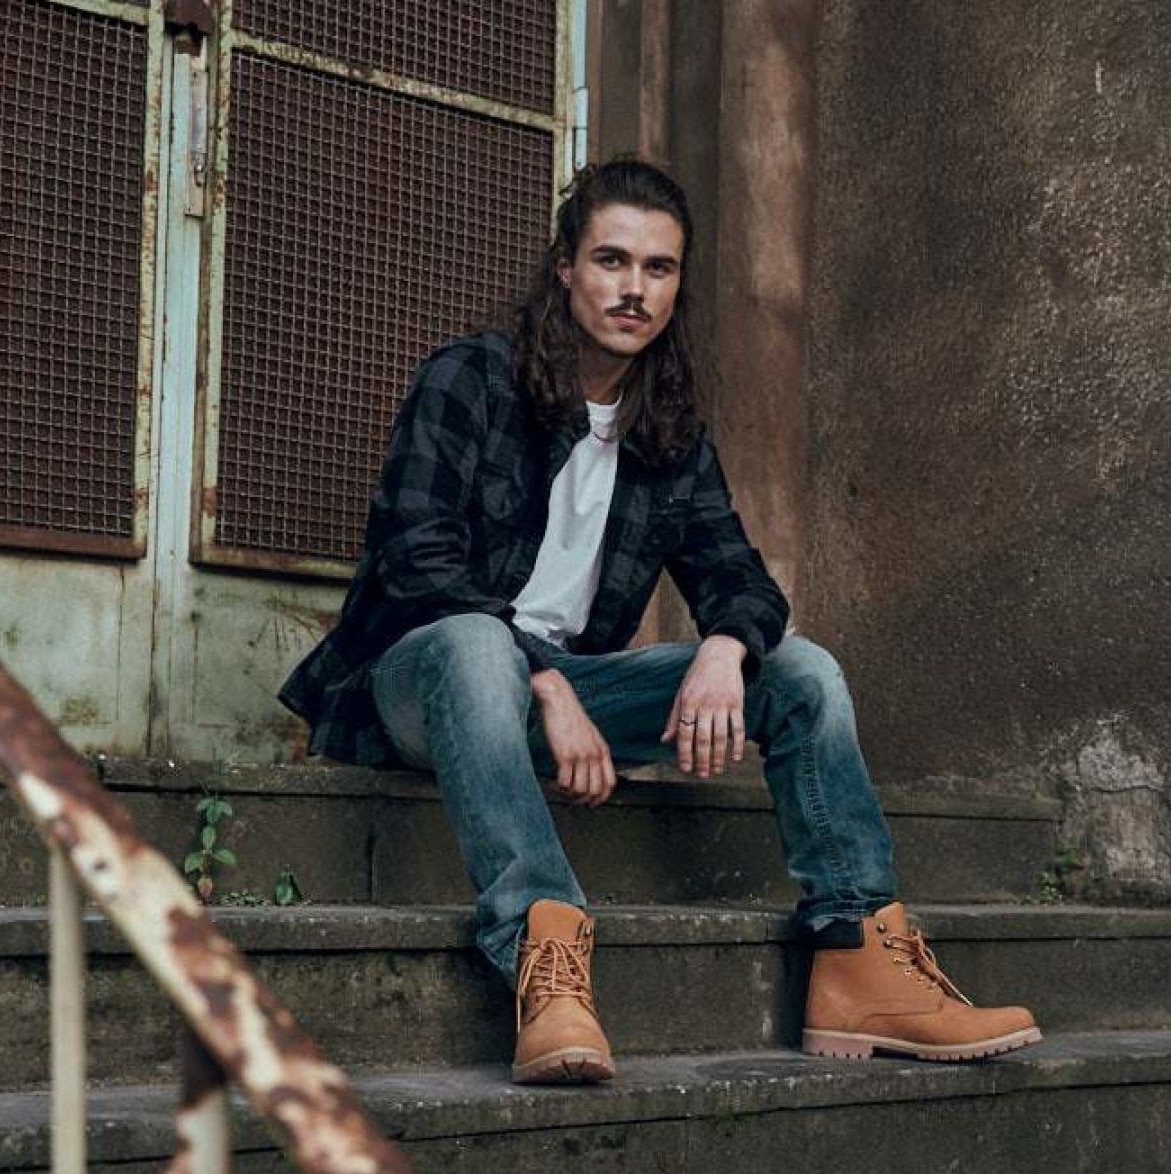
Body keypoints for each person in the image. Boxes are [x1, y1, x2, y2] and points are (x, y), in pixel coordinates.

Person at [280, 160, 1040, 1084]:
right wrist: (545, 678)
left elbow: (743, 581)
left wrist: (725, 644)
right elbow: (417, 564)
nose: (633, 288)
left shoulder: (667, 428)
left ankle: (858, 955)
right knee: (479, 643)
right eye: (611, 259)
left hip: (568, 699)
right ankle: (545, 953)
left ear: (678, 285)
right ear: (564, 267)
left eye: (658, 268)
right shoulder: (468, 381)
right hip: (422, 685)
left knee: (800, 671)